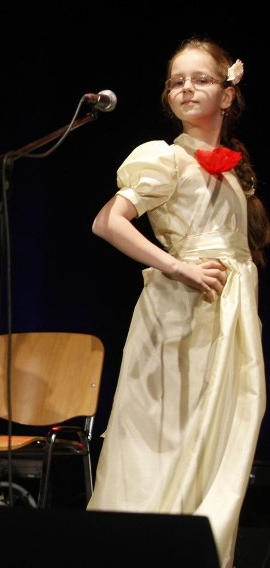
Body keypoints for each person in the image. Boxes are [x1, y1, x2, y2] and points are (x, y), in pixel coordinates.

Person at [86, 38, 270, 568]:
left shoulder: (234, 169)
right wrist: (178, 266)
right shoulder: (163, 157)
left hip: (229, 313)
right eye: (177, 81)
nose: (187, 88)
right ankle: (144, 548)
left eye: (201, 79)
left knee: (224, 434)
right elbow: (108, 221)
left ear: (228, 94)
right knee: (166, 438)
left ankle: (203, 551)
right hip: (182, 313)